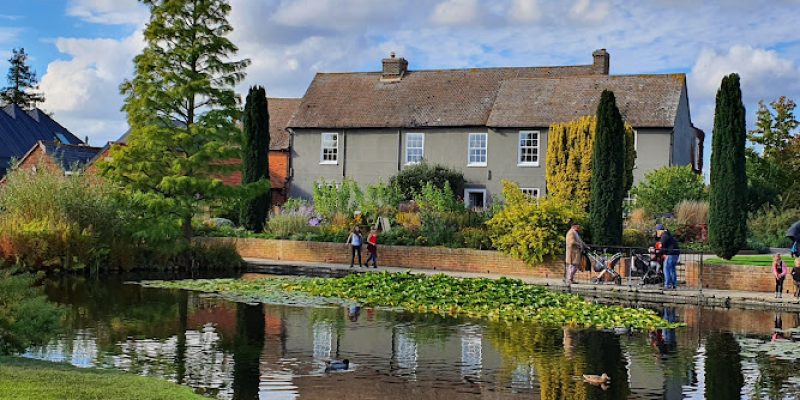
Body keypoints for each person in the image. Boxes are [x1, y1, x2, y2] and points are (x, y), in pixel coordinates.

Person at [655, 224, 680, 290]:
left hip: (671, 254)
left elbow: (661, 246)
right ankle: (674, 285)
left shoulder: (664, 236)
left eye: (657, 231)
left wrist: (658, 252)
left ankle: (667, 285)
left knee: (666, 269)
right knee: (672, 269)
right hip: (676, 254)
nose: (657, 233)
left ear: (660, 231)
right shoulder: (668, 235)